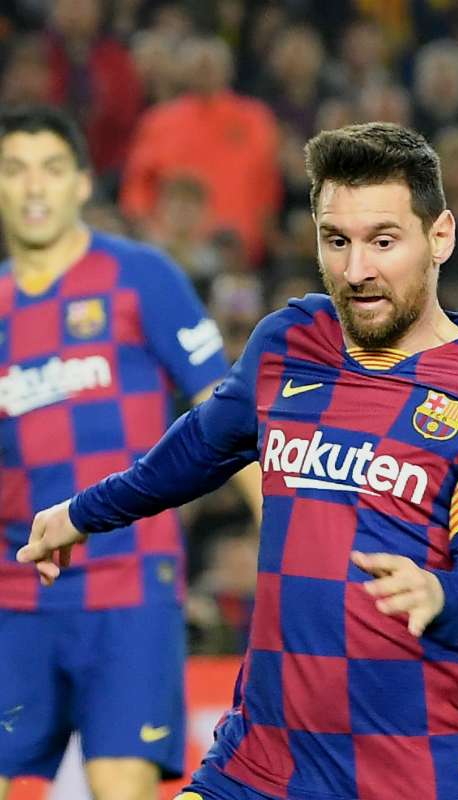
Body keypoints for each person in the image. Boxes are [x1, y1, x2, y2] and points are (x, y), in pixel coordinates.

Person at [20, 122, 458, 800]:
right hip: (260, 762)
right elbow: (195, 450)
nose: (356, 271)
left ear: (439, 236)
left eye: (383, 241)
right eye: (337, 241)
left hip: (411, 767)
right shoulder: (289, 343)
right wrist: (82, 513)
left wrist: (442, 594)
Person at [0, 106, 245, 800]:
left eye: (52, 168)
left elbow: (227, 410)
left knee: (120, 786)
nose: (34, 186)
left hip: (129, 583)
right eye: (15, 170)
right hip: (14, 590)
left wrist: (286, 532)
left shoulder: (141, 277)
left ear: (82, 183)